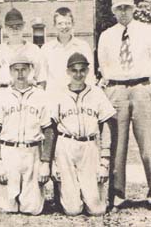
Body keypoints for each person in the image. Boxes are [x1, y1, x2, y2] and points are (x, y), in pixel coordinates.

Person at [97, 0, 151, 210]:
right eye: (119, 8)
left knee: (148, 143)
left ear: (134, 8)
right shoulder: (106, 35)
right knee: (117, 144)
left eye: (127, 7)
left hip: (142, 87)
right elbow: (104, 64)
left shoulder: (147, 31)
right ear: (113, 11)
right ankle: (117, 193)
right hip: (117, 89)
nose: (123, 12)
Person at [0, 54, 53, 215]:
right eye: (16, 70)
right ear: (10, 72)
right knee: (5, 208)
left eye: (24, 69)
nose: (20, 73)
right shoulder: (1, 95)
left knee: (32, 209)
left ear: (30, 70)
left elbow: (49, 130)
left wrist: (45, 162)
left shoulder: (41, 95)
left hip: (32, 152)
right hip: (9, 151)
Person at [51, 53, 115, 216]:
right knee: (72, 210)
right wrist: (52, 162)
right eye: (74, 70)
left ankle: (86, 193)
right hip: (66, 145)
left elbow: (107, 125)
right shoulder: (58, 94)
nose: (78, 74)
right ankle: (65, 194)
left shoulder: (97, 93)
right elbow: (51, 128)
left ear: (87, 71)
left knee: (97, 210)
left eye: (82, 70)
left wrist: (105, 160)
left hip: (90, 146)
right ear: (68, 72)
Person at [0, 8, 46, 89]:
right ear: (5, 28)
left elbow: (41, 79)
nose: (14, 30)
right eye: (10, 26)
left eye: (18, 26)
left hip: (28, 92)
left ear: (23, 26)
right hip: (3, 93)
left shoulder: (34, 49)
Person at [41, 7, 95, 93]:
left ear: (73, 24)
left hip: (77, 96)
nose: (64, 27)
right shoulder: (46, 48)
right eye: (60, 23)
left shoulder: (83, 46)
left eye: (67, 23)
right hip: (53, 96)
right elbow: (42, 78)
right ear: (54, 25)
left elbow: (90, 76)